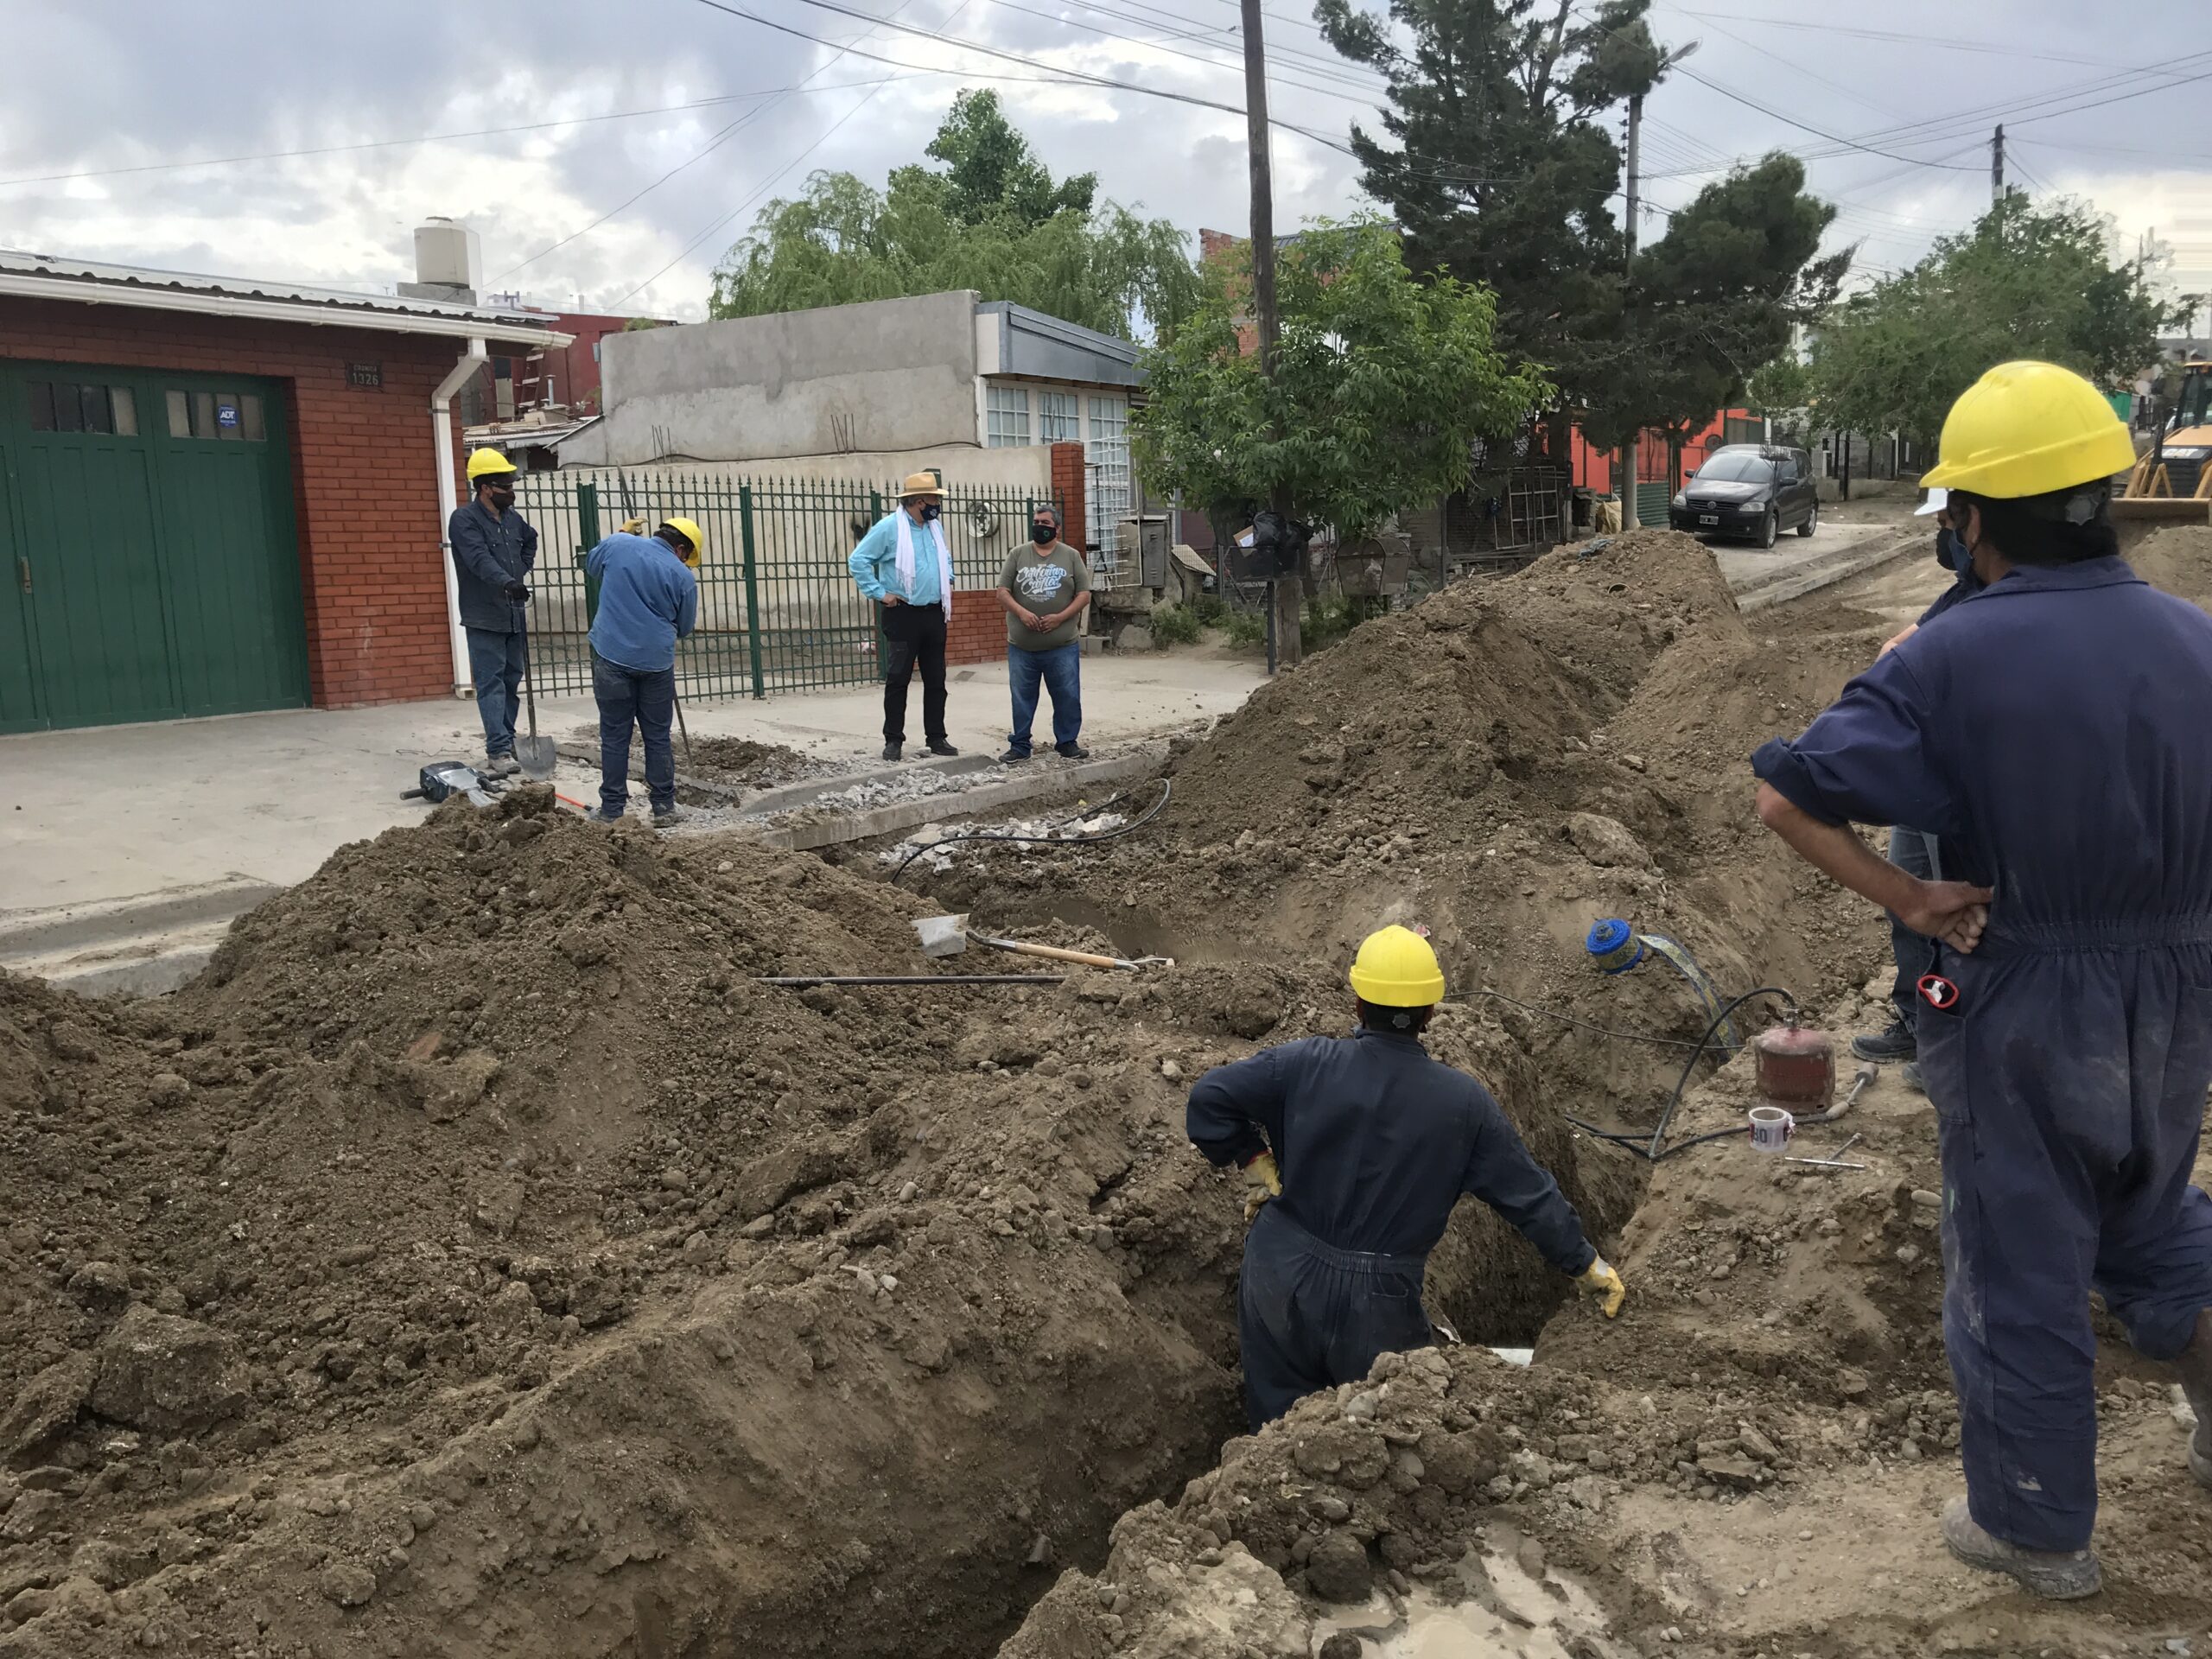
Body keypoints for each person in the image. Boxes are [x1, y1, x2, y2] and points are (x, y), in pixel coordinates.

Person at [1750, 359, 2212, 1599]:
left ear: (1969, 515)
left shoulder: (1950, 656)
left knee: (2020, 1254)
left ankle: (2034, 1527)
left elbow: (1787, 798)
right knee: (2149, 1209)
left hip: (2023, 991)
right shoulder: (2196, 639)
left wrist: (1912, 900)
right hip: (2178, 992)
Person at [1185, 925, 1626, 1428]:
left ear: (1358, 1004)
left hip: (1278, 1270)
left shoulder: (1303, 1063)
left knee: (1276, 1433)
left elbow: (1209, 1098)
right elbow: (1529, 1197)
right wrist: (1585, 1265)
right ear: (1430, 1013)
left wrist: (1252, 1160)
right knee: (1382, 1434)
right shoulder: (1464, 1104)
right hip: (1377, 1305)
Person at [1852, 486, 1986, 1090]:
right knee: (1908, 897)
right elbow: (1904, 643)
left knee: (1955, 913)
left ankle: (1954, 1042)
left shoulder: (1996, 600)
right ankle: (1917, 1016)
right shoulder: (1963, 591)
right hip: (1925, 773)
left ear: (1972, 522)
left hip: (1959, 784)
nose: (1940, 537)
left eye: (1944, 523)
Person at [582, 518, 702, 827]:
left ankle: (611, 810)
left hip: (612, 656)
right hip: (655, 664)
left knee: (614, 736)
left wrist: (622, 533)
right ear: (680, 549)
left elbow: (592, 566)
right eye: (687, 557)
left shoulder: (619, 544)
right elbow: (684, 627)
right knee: (657, 736)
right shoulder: (683, 577)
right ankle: (664, 808)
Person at [849, 471, 958, 763]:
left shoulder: (935, 527)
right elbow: (858, 560)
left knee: (936, 679)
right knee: (898, 679)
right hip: (903, 613)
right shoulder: (889, 528)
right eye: (934, 499)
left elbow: (945, 557)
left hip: (934, 612)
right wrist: (880, 593)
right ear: (919, 501)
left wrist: (948, 578)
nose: (937, 505)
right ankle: (893, 739)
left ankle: (937, 737)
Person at [448, 448, 538, 777]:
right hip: (484, 615)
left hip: (513, 614)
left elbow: (531, 539)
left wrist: (521, 571)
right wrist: (506, 582)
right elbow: (477, 558)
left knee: (512, 678)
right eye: (505, 486)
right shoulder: (464, 520)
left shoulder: (512, 519)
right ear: (485, 487)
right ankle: (497, 750)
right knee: (491, 682)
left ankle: (508, 737)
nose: (511, 492)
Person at [995, 502, 1092, 763]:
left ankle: (1067, 742)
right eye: (1036, 523)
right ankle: (1020, 745)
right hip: (1022, 647)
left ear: (1057, 528)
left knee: (1067, 695)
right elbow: (1002, 592)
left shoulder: (1071, 556)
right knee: (1022, 698)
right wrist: (1022, 613)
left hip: (1062, 645)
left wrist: (1060, 618)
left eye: (1045, 523)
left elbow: (1084, 595)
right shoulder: (1017, 554)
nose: (1039, 527)